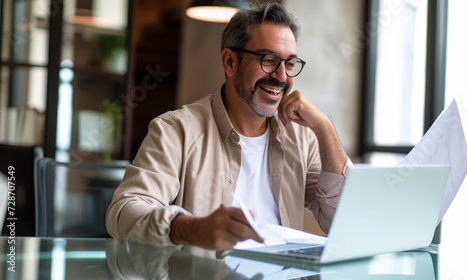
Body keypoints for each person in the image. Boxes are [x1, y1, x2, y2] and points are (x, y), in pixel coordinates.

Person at [106, 2, 351, 250]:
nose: (281, 76)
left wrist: (324, 128)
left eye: (289, 63)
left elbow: (343, 221)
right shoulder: (176, 131)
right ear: (230, 62)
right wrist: (191, 229)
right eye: (268, 59)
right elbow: (122, 213)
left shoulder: (301, 138)